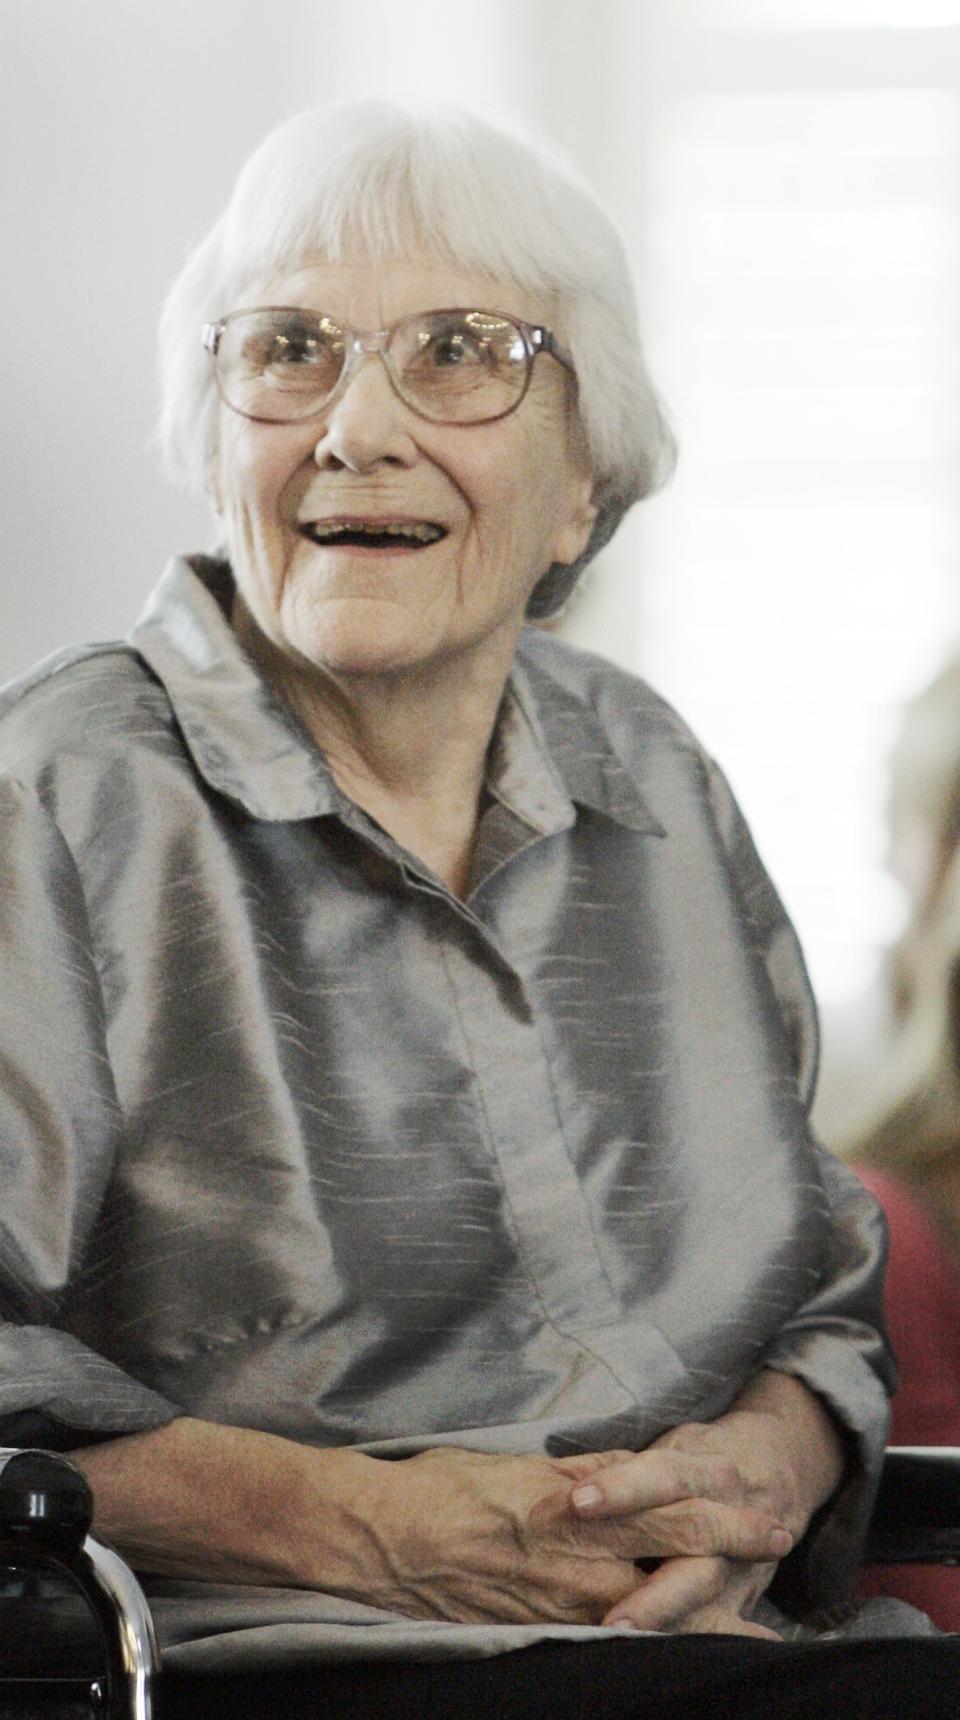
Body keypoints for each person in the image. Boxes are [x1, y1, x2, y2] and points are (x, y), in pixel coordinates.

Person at [0, 100, 938, 1708]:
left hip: (738, 1647)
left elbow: (823, 1294)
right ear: (214, 439)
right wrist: (370, 1526)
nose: (359, 427)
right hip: (281, 1671)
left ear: (583, 486)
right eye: (289, 349)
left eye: (460, 353)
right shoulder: (63, 797)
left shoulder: (653, 774)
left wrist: (773, 1468)